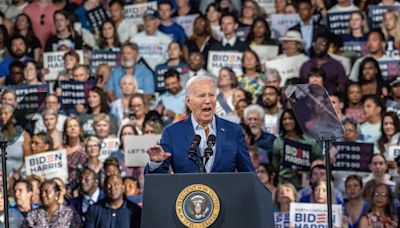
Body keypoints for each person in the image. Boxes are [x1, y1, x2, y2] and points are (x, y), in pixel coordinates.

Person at [145, 76, 255, 173]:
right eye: (201, 96)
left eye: (211, 95)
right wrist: (156, 162)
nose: (207, 101)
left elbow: (248, 174)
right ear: (189, 102)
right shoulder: (172, 133)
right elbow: (157, 178)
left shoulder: (233, 131)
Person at [272, 109, 321, 189]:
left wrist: (308, 172)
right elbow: (275, 165)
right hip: (284, 182)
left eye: (290, 118)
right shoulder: (278, 142)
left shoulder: (310, 141)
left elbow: (318, 161)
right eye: (284, 119)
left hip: (305, 182)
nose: (287, 121)